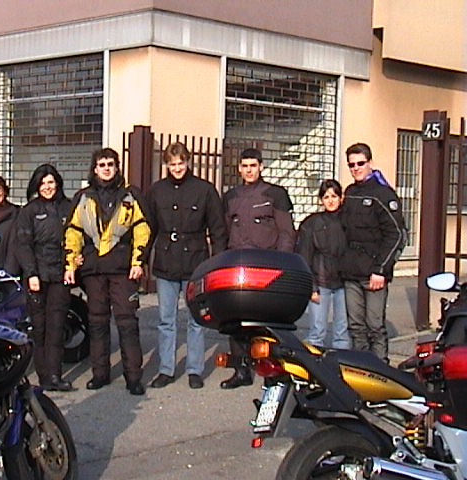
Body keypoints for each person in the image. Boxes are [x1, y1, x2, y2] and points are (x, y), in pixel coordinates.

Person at [63, 148, 151, 395]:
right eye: (102, 165)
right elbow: (73, 232)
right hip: (94, 270)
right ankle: (99, 374)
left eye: (110, 164)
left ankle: (133, 377)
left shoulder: (130, 196)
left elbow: (142, 230)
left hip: (123, 270)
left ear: (117, 167)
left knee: (127, 322)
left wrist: (138, 262)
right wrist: (70, 265)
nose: (106, 169)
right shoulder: (83, 197)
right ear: (94, 169)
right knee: (97, 322)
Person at [146, 142, 227, 390]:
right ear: (166, 165)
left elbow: (218, 229)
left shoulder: (204, 190)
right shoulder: (157, 191)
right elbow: (148, 229)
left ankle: (194, 370)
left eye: (181, 163)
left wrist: (217, 263)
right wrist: (140, 260)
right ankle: (166, 369)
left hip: (196, 265)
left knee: (196, 320)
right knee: (166, 320)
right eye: (172, 164)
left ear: (188, 162)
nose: (177, 168)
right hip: (166, 264)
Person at [220, 147, 296, 388]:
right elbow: (224, 233)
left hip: (266, 264)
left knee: (267, 320)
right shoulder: (231, 197)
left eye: (253, 165)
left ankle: (273, 372)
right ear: (239, 169)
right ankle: (241, 370)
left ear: (261, 166)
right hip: (239, 265)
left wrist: (282, 262)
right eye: (245, 166)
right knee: (236, 320)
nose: (249, 170)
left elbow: (286, 232)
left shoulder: (275, 194)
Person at [339, 142, 406, 363]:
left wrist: (381, 270)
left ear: (370, 163)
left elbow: (396, 235)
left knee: (375, 326)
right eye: (351, 165)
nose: (356, 168)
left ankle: (381, 369)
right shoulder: (350, 193)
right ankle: (361, 368)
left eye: (360, 163)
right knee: (356, 327)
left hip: (374, 273)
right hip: (351, 271)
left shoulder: (383, 194)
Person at [16, 164, 74, 391]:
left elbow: (77, 238)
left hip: (60, 275)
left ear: (57, 183)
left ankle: (55, 376)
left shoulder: (68, 207)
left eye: (50, 182)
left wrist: (73, 263)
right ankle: (43, 377)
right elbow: (23, 245)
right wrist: (31, 273)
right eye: (42, 183)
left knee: (56, 327)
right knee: (39, 328)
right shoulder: (29, 211)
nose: (47, 187)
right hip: (37, 276)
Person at [296, 179, 350, 349]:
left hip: (344, 282)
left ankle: (342, 360)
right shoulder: (312, 223)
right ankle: (315, 362)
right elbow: (304, 255)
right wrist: (311, 287)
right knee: (317, 331)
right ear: (321, 200)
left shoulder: (349, 221)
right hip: (320, 282)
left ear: (341, 198)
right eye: (326, 197)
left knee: (342, 332)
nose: (330, 201)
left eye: (334, 196)